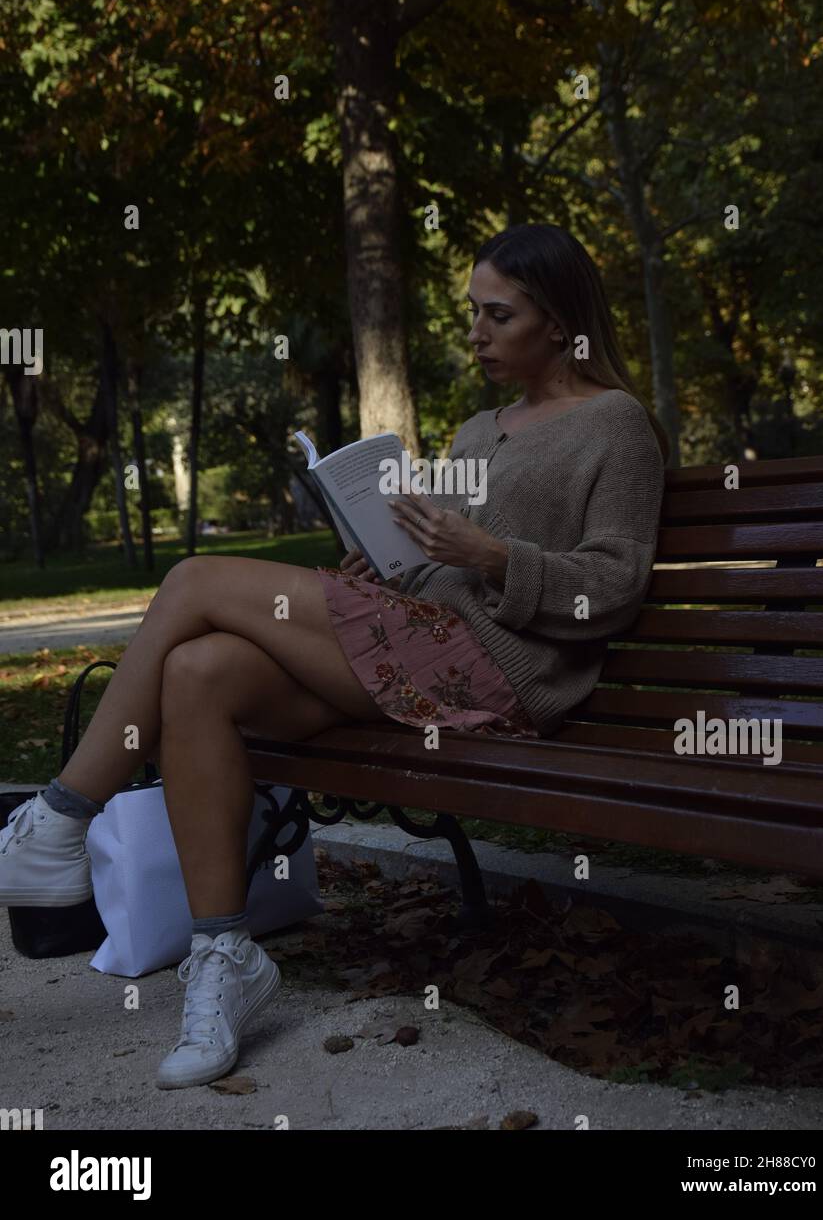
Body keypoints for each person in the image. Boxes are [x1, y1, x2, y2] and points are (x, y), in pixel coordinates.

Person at [0, 222, 668, 1090]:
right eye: (472, 313)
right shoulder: (479, 427)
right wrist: (386, 557)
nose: (474, 334)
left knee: (194, 579)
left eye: (497, 316)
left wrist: (492, 557)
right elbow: (448, 564)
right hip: (420, 640)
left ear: (562, 321)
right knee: (195, 672)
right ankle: (223, 956)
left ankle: (56, 823)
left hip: (501, 671)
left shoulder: (617, 426)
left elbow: (614, 586)